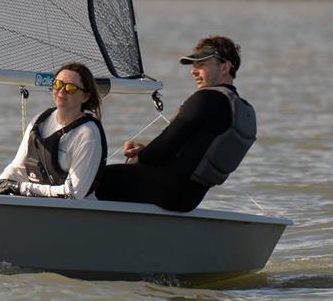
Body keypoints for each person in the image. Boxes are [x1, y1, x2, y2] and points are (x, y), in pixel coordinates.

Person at [95, 35, 256, 212]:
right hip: (190, 197)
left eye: (201, 65)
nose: (193, 71)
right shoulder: (239, 107)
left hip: (165, 190)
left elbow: (165, 144)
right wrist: (145, 151)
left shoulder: (207, 98)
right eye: (193, 66)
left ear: (225, 66)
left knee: (95, 177)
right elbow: (190, 149)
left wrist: (140, 157)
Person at [0, 63, 106, 199]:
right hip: (39, 207)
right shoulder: (39, 121)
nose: (62, 91)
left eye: (71, 88)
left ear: (85, 97)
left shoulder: (87, 134)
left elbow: (73, 194)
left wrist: (22, 188)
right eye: (58, 84)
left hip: (76, 213)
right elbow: (17, 169)